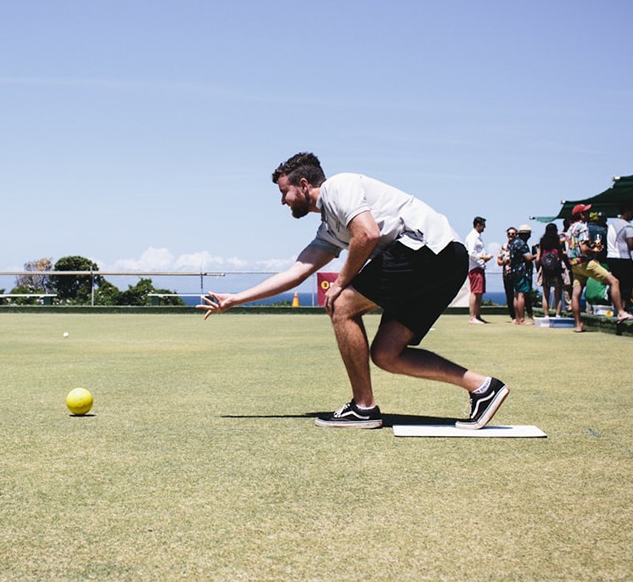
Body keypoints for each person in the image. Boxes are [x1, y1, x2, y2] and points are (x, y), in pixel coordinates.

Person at [198, 152, 509, 430]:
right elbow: (296, 272)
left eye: (284, 193)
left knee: (341, 305)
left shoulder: (339, 187)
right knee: (387, 354)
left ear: (304, 184)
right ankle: (482, 387)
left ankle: (363, 407)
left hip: (428, 249)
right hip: (446, 262)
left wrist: (339, 284)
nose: (282, 202)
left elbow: (367, 234)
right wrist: (235, 299)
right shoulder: (330, 228)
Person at [566, 203, 633, 331]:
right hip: (586, 263)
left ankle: (578, 325)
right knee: (614, 281)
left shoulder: (570, 229)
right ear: (581, 215)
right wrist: (594, 250)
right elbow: (584, 249)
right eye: (585, 212)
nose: (588, 214)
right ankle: (621, 312)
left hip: (574, 264)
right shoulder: (583, 228)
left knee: (576, 294)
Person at [606, 205, 633, 312]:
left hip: (611, 256)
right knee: (627, 285)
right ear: (627, 211)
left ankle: (616, 306)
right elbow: (631, 245)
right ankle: (624, 307)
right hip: (623, 257)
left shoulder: (612, 225)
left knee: (615, 283)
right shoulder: (628, 226)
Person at [464, 216, 492, 324]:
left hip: (479, 267)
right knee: (475, 292)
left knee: (479, 292)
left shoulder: (477, 237)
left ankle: (477, 315)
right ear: (478, 225)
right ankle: (472, 317)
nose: (484, 228)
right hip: (475, 267)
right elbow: (471, 253)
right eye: (483, 225)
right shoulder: (472, 237)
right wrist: (483, 258)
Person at [536, 223, 567, 318]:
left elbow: (538, 258)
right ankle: (558, 314)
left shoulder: (542, 242)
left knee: (545, 294)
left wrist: (538, 267)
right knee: (558, 294)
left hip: (546, 270)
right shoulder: (558, 242)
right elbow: (561, 255)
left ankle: (546, 315)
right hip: (557, 270)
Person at [509, 225, 535, 325]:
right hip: (523, 272)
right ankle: (522, 319)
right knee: (522, 295)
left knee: (516, 295)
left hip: (515, 271)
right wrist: (538, 254)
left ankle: (517, 318)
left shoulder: (514, 242)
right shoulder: (522, 243)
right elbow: (528, 258)